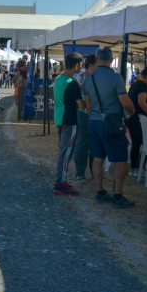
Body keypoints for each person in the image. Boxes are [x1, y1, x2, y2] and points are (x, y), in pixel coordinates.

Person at [82, 47, 136, 208]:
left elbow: (88, 105)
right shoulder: (116, 78)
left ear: (96, 59)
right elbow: (126, 103)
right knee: (120, 159)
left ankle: (100, 192)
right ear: (111, 60)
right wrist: (132, 112)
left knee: (97, 158)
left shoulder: (89, 79)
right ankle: (117, 196)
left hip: (93, 122)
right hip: (112, 122)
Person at [52, 52, 84, 196]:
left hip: (59, 118)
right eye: (81, 65)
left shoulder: (59, 78)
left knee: (63, 152)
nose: (81, 67)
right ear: (76, 65)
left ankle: (61, 181)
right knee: (66, 154)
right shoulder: (72, 83)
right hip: (70, 120)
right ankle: (60, 183)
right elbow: (81, 106)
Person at [73, 55, 97, 182]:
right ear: (91, 65)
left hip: (95, 113)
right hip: (83, 113)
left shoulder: (98, 77)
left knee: (95, 144)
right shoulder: (79, 77)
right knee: (82, 143)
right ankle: (80, 173)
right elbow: (76, 92)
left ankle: (95, 172)